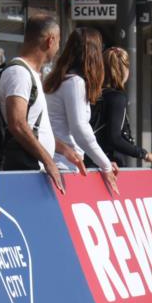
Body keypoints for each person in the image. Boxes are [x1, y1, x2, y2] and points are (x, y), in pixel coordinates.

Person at [0, 16, 87, 195]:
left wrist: (64, 149)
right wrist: (48, 161)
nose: (58, 49)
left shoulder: (30, 73)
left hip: (33, 168)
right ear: (50, 40)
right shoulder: (19, 73)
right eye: (58, 42)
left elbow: (34, 126)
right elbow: (17, 124)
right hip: (23, 170)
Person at [41, 25, 115, 194]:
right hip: (63, 166)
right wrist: (105, 164)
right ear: (94, 54)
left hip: (58, 162)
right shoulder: (75, 83)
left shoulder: (58, 79)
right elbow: (80, 129)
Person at [94, 46, 152, 168]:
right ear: (124, 70)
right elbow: (114, 138)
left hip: (90, 161)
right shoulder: (116, 97)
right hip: (109, 164)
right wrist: (145, 155)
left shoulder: (93, 95)